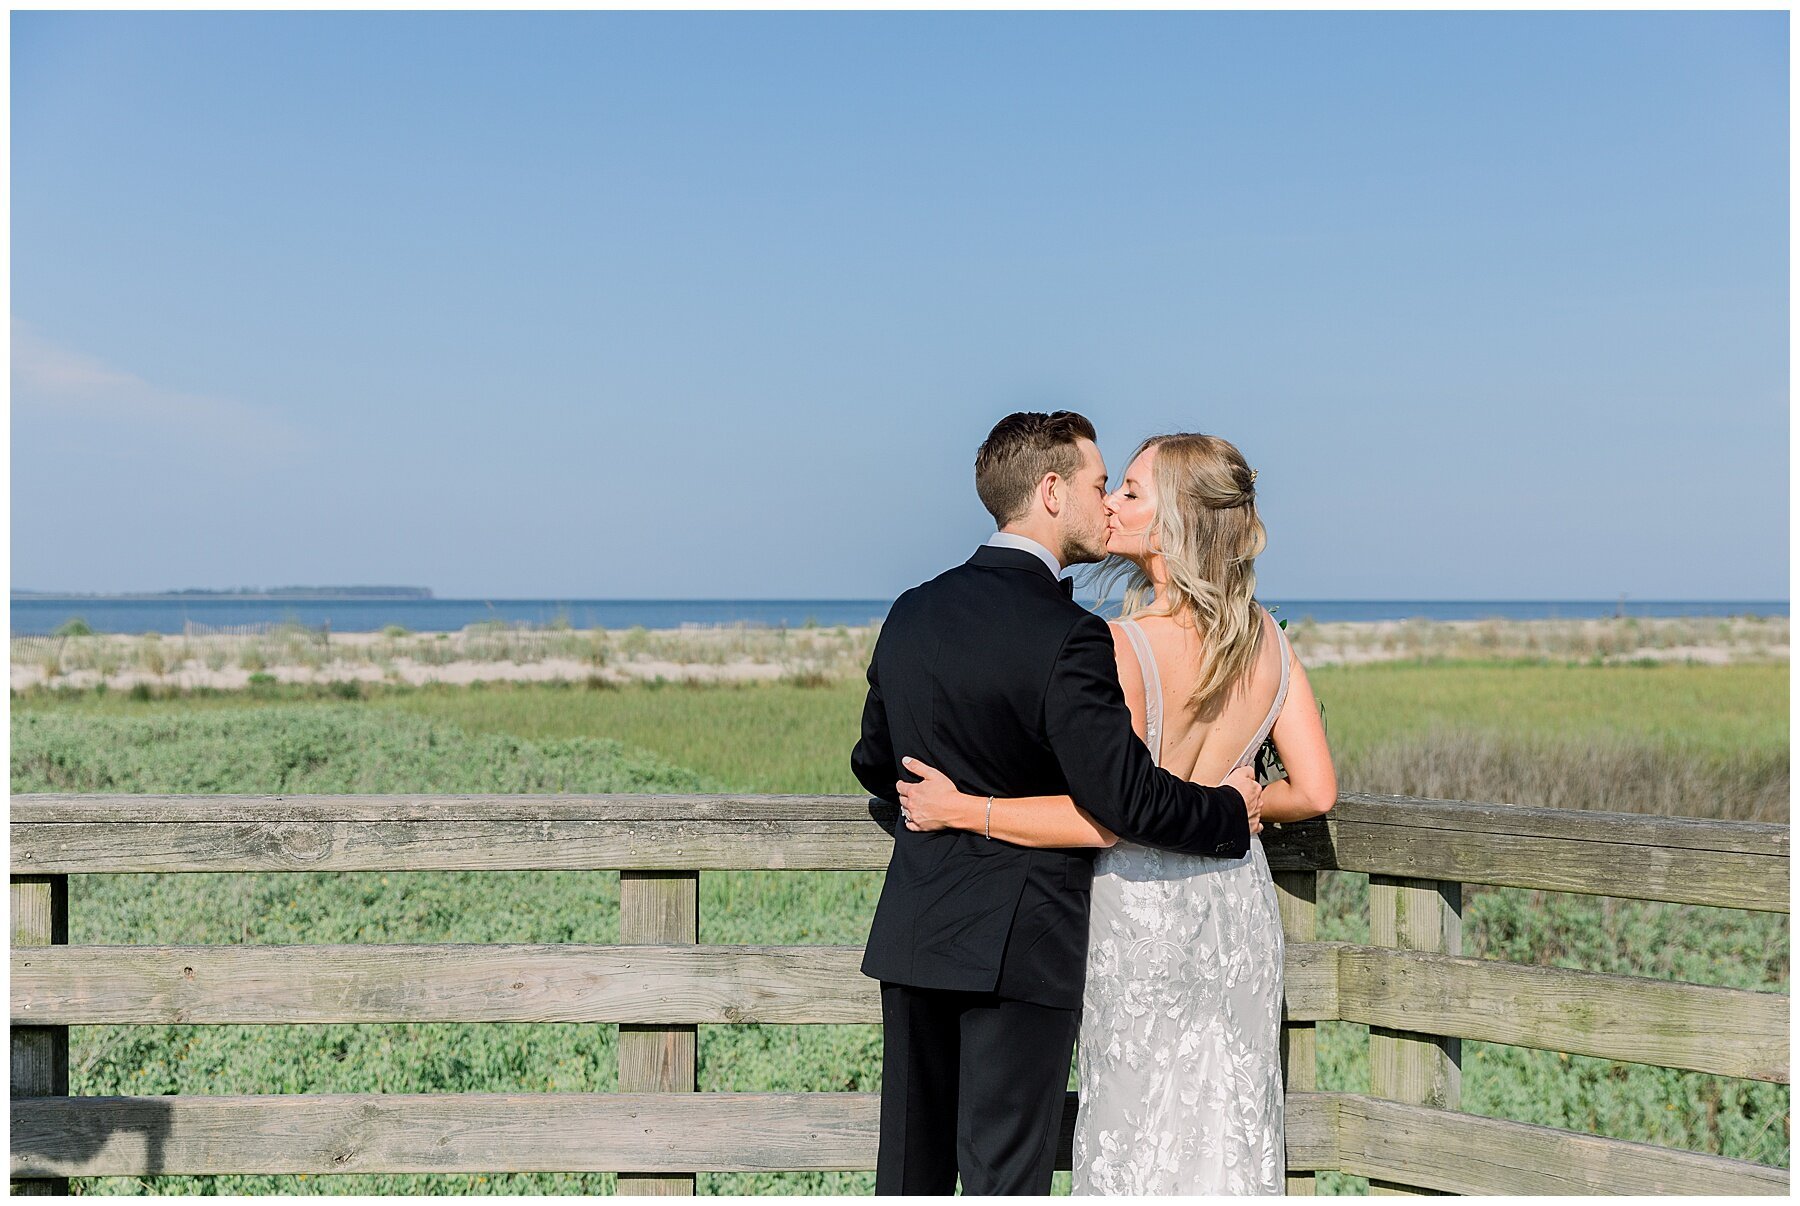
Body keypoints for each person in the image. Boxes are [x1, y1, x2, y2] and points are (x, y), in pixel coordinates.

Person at [898, 432, 1337, 1195]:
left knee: (1137, 1125)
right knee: (1231, 1121)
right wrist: (1247, 802)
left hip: (1144, 912)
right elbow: (1319, 791)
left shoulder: (1118, 644)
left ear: (1171, 524)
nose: (1110, 503)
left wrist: (969, 809)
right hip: (1236, 906)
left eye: (1130, 492)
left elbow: (1109, 815)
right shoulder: (1268, 637)